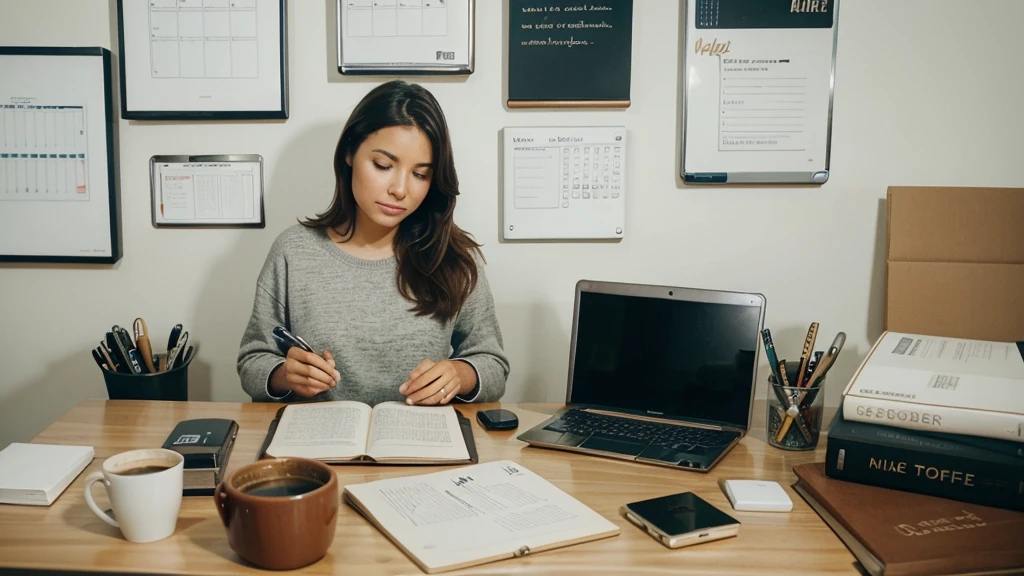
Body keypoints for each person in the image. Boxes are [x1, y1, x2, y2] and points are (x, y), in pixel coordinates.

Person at [237, 80, 509, 406]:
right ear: (349, 154)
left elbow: (493, 362)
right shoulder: (293, 252)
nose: (400, 189)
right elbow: (253, 358)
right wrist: (284, 375)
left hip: (422, 447)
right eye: (383, 166)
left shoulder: (452, 256)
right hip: (318, 448)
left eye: (420, 175)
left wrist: (460, 374)